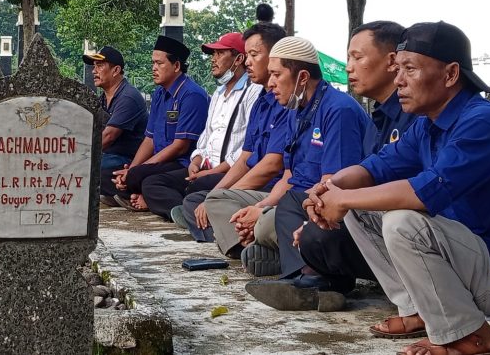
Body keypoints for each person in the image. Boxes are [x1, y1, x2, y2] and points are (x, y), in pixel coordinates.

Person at [307, 21, 490, 355]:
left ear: (450, 75)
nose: (399, 79)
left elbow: (423, 192)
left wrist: (342, 197)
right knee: (360, 207)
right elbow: (375, 168)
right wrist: (328, 188)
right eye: (398, 69)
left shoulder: (483, 122)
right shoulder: (427, 124)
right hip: (463, 262)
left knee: (403, 222)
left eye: (410, 69)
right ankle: (417, 310)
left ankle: (468, 335)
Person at [247, 21, 418, 310]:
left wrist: (331, 201)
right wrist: (324, 197)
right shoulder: (383, 116)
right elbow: (368, 170)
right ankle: (307, 273)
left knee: (300, 221)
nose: (349, 67)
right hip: (361, 216)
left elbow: (422, 190)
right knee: (295, 209)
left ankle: (312, 274)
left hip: (416, 234)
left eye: (357, 57)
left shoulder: (342, 109)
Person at [206, 36, 371, 277]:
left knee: (268, 222)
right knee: (216, 199)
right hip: (292, 201)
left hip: (318, 205)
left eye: (276, 75)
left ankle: (294, 266)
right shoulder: (295, 110)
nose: (270, 83)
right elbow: (289, 174)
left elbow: (331, 186)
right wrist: (261, 205)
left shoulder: (338, 110)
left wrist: (262, 212)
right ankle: (260, 247)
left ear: (302, 77)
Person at [179, 22, 288, 253]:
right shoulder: (262, 102)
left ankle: (236, 242)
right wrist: (216, 194)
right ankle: (239, 238)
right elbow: (245, 158)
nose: (248, 61)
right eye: (247, 54)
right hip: (253, 185)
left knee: (207, 199)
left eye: (254, 55)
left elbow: (271, 166)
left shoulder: (284, 103)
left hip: (272, 188)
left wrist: (217, 197)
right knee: (197, 199)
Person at [140, 32, 261, 220]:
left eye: (220, 54)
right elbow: (205, 137)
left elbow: (246, 148)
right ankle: (186, 211)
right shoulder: (218, 94)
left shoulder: (252, 92)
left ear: (238, 59)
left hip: (227, 171)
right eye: (213, 54)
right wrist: (195, 163)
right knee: (152, 183)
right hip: (205, 169)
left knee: (196, 187)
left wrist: (213, 171)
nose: (213, 60)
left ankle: (189, 210)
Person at [111, 35, 209, 211]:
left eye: (159, 63)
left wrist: (136, 171)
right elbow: (149, 139)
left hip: (182, 163)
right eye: (153, 63)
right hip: (158, 161)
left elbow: (180, 146)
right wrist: (132, 168)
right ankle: (141, 194)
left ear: (177, 66)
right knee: (108, 175)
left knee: (145, 180)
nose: (154, 68)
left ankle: (154, 200)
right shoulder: (158, 94)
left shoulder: (192, 95)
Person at [85, 46, 148, 206]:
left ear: (116, 70)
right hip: (109, 155)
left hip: (127, 159)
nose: (94, 71)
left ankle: (126, 192)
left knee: (88, 167)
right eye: (94, 66)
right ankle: (111, 192)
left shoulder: (128, 97)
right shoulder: (103, 99)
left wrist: (79, 155)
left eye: (100, 66)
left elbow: (108, 136)